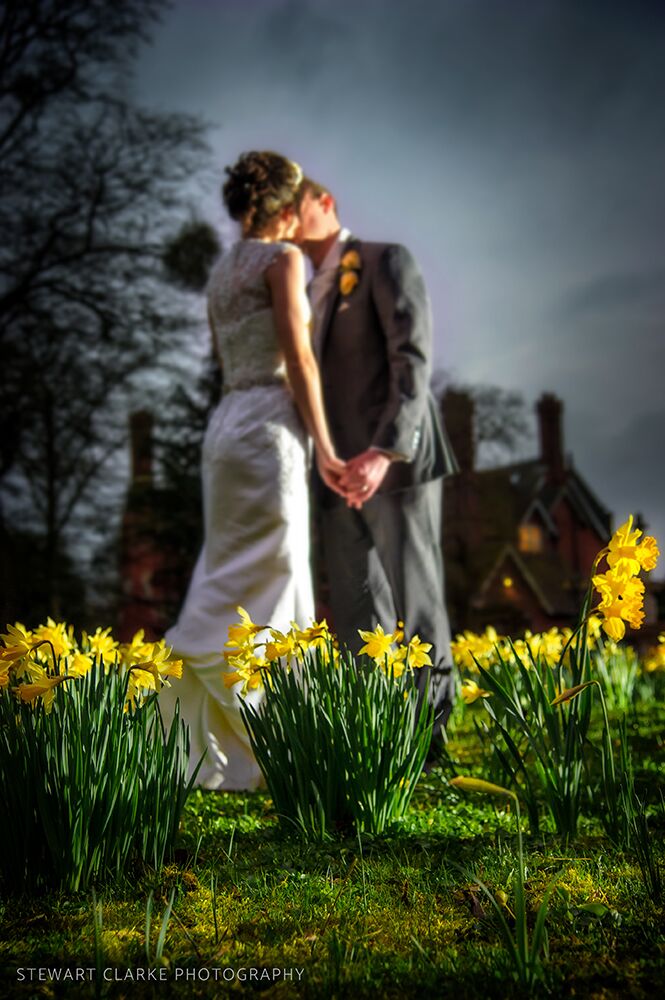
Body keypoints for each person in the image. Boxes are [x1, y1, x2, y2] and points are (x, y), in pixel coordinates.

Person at [159, 152, 345, 791]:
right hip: (269, 428)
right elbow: (298, 358)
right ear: (287, 210)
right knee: (278, 569)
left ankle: (223, 749)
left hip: (226, 427)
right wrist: (326, 444)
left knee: (229, 568)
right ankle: (267, 745)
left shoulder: (219, 274)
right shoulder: (284, 260)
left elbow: (224, 354)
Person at [295, 177, 458, 750]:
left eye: (298, 205)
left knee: (415, 598)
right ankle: (376, 737)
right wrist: (326, 461)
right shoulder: (295, 286)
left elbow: (411, 356)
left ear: (326, 203)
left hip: (397, 463)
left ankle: (430, 737)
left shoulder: (385, 260)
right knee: (355, 606)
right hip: (334, 473)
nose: (288, 218)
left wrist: (385, 449)